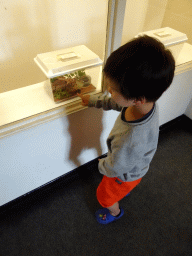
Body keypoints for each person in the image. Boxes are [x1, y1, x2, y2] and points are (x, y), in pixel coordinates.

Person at [78, 35, 175, 224]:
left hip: (122, 174)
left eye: (112, 89)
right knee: (124, 183)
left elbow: (117, 167)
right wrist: (93, 100)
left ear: (137, 98)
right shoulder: (145, 103)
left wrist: (101, 165)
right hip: (136, 167)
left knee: (104, 196)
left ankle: (115, 212)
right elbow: (118, 103)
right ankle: (125, 190)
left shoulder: (129, 139)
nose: (108, 90)